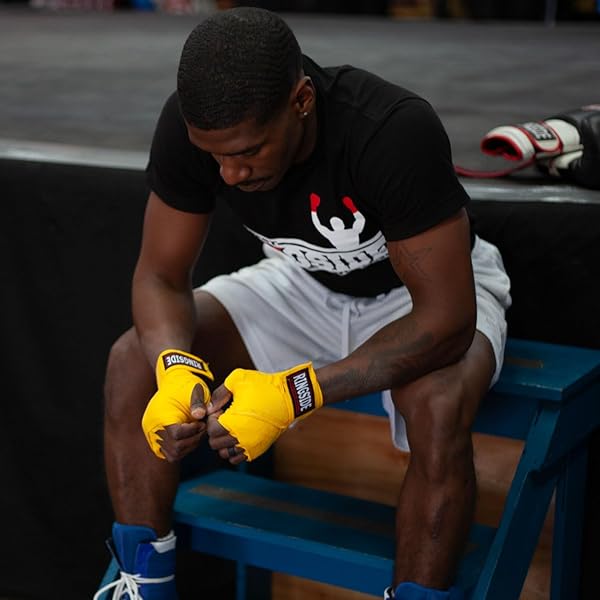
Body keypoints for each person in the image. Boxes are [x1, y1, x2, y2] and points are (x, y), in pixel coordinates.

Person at [98, 6, 511, 600]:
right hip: (301, 281)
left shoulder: (391, 129)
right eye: (215, 157)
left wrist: (294, 392)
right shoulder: (196, 130)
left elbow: (446, 321)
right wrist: (174, 366)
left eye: (248, 151)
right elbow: (161, 276)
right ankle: (145, 582)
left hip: (421, 296)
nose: (230, 173)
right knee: (131, 362)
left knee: (438, 402)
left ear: (301, 100)